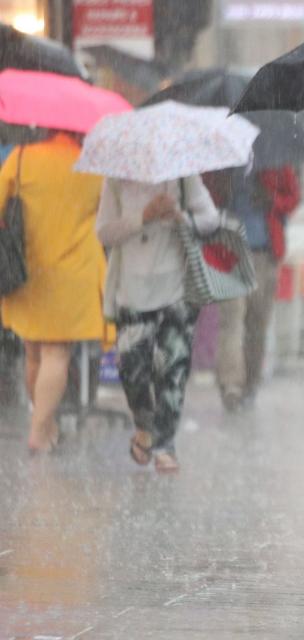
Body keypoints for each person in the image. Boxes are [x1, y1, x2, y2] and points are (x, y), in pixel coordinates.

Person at [96, 174, 219, 473]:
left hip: (176, 290)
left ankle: (165, 444)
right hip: (131, 292)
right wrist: (143, 216)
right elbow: (104, 232)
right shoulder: (115, 178)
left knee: (172, 369)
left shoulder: (183, 176)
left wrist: (181, 217)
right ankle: (144, 426)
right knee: (132, 368)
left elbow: (210, 219)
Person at [0, 132, 107, 453]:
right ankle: (39, 430)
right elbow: (105, 213)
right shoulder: (92, 165)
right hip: (71, 271)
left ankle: (45, 425)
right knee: (56, 354)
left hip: (29, 268)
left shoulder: (21, 157)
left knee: (34, 353)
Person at [208, 165, 301, 411]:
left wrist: (272, 200)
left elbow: (293, 198)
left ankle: (250, 384)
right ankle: (230, 385)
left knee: (257, 325)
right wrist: (222, 190)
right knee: (231, 321)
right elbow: (208, 200)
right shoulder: (224, 162)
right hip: (230, 252)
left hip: (264, 254)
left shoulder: (276, 161)